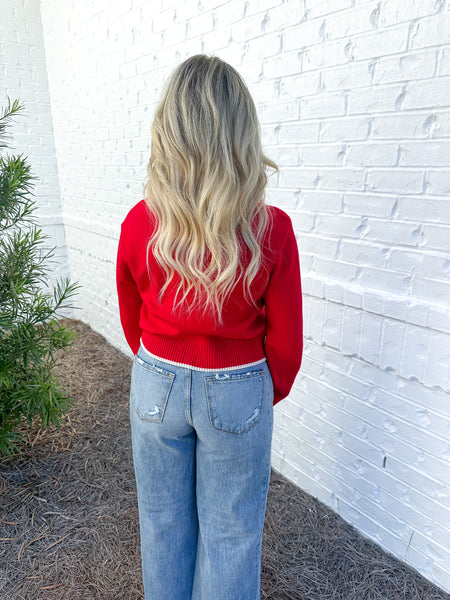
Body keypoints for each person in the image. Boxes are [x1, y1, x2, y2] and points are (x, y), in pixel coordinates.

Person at [116, 54, 303, 600]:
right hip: (239, 385)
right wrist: (263, 390)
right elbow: (286, 343)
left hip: (156, 381)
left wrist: (159, 361)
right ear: (241, 135)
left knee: (162, 526)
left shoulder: (140, 223)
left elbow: (132, 314)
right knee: (230, 535)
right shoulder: (271, 230)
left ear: (167, 134)